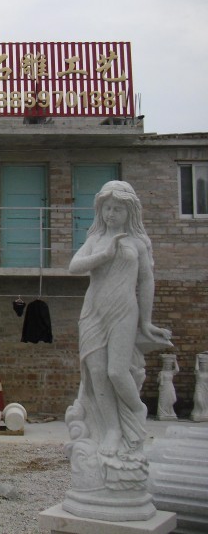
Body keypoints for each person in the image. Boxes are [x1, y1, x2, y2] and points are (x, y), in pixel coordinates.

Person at [69, 181, 171, 455]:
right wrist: (104, 255)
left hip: (124, 311)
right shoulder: (95, 241)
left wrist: (146, 321)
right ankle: (112, 430)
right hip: (93, 313)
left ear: (130, 212)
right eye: (107, 208)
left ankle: (137, 409)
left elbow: (146, 281)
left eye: (117, 209)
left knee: (116, 371)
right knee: (97, 374)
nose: (111, 214)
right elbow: (74, 266)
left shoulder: (138, 243)